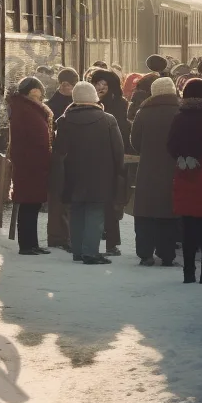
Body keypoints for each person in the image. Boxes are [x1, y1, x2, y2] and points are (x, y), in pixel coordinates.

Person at [50, 81, 125, 266]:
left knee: (76, 211)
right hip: (101, 175)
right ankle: (90, 253)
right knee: (95, 211)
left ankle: (77, 251)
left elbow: (59, 150)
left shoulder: (64, 121)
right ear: (94, 97)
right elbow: (118, 150)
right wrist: (119, 173)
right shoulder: (108, 120)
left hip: (72, 174)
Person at [166, 77, 202, 285]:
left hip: (185, 174)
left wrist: (183, 157)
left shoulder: (179, 118)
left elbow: (171, 145)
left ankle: (188, 273)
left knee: (188, 227)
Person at [130, 76, 181, 266]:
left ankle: (145, 253)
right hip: (173, 169)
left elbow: (135, 142)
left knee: (145, 212)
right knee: (167, 213)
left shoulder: (143, 111)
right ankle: (167, 254)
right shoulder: (180, 111)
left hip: (148, 170)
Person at [7, 77, 54, 256]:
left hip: (32, 163)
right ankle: (26, 245)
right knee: (28, 204)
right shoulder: (25, 109)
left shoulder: (26, 108)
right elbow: (33, 137)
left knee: (32, 205)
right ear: (31, 91)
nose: (41, 94)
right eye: (38, 90)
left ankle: (31, 243)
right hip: (29, 164)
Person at [90, 67, 129, 256]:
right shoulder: (88, 102)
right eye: (98, 84)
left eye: (105, 84)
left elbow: (122, 130)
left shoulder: (120, 104)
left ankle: (111, 242)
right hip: (92, 159)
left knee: (110, 204)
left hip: (112, 159)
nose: (101, 87)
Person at [44, 68, 77, 251]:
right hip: (58, 156)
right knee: (58, 199)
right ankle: (58, 237)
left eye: (68, 84)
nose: (65, 87)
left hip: (68, 156)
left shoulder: (76, 102)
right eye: (63, 83)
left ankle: (66, 235)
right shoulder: (52, 104)